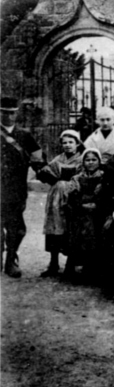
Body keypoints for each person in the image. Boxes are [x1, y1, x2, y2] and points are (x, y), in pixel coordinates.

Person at [1, 96, 43, 277]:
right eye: (4, 113)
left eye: (12, 113)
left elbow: (38, 159)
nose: (9, 116)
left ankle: (11, 260)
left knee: (16, 228)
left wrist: (50, 175)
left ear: (16, 114)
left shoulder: (24, 135)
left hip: (16, 189)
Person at [36, 129, 84, 278]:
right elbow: (46, 173)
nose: (68, 145)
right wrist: (44, 173)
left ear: (77, 144)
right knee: (54, 228)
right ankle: (53, 263)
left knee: (70, 229)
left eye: (71, 142)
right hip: (55, 199)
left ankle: (70, 265)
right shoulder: (58, 159)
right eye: (65, 143)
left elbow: (83, 178)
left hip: (72, 198)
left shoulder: (82, 160)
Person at [66, 148, 105, 282]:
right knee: (79, 230)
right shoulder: (77, 178)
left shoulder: (103, 177)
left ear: (99, 161)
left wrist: (96, 205)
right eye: (87, 160)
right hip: (80, 211)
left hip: (97, 212)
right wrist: (81, 205)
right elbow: (73, 196)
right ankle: (76, 266)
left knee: (94, 230)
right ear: (83, 162)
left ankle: (92, 268)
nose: (90, 163)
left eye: (94, 160)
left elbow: (103, 195)